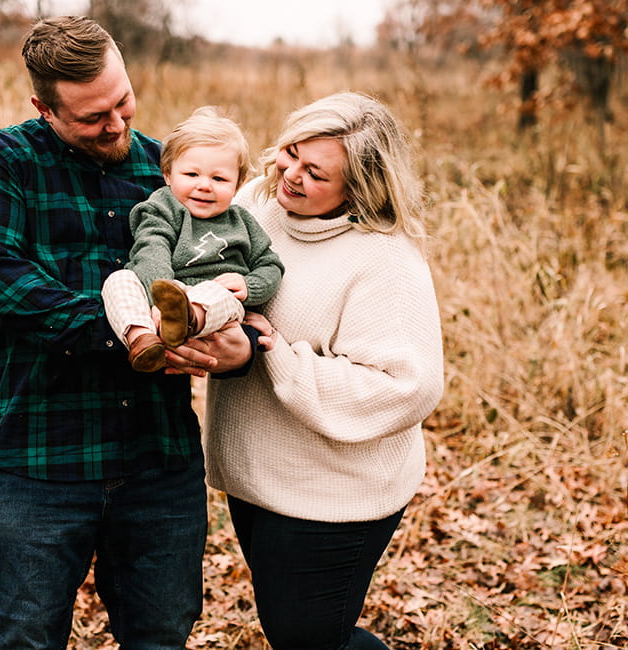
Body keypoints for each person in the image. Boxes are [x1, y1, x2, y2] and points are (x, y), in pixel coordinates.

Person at [0, 16, 250, 649]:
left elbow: (225, 266)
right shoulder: (0, 163)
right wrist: (130, 335)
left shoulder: (170, 172)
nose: (116, 124)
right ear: (44, 108)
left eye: (123, 101)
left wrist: (230, 342)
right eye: (92, 117)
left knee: (161, 635)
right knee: (24, 638)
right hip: (41, 457)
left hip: (157, 458)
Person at [197, 92, 445, 649]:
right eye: (291, 153)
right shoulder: (256, 203)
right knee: (290, 629)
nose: (290, 175)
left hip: (334, 494)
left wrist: (274, 355)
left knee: (308, 638)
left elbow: (407, 387)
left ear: (358, 189)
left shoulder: (384, 260)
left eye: (315, 173)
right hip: (258, 474)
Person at [101, 106, 284, 373]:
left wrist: (248, 284)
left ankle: (187, 318)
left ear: (238, 183)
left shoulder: (241, 221)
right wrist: (160, 302)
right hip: (164, 295)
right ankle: (142, 338)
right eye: (191, 175)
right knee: (119, 280)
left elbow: (271, 265)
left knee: (218, 293)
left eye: (219, 178)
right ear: (168, 174)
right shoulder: (161, 209)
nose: (204, 185)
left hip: (214, 306)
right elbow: (151, 251)